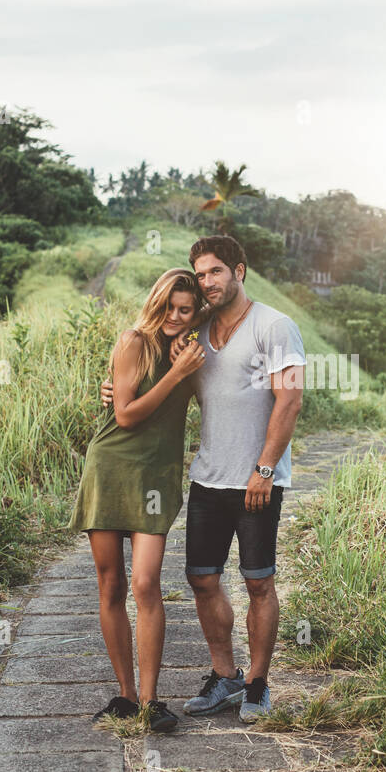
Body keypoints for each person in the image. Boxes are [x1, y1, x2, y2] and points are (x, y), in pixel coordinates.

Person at [103, 235, 306, 723]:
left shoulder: (276, 326)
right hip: (208, 478)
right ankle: (225, 677)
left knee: (258, 582)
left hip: (258, 480)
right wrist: (114, 389)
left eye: (216, 271)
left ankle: (258, 684)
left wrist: (264, 469)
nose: (208, 281)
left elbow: (291, 400)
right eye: (202, 273)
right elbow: (160, 384)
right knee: (201, 579)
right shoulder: (196, 335)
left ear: (239, 271)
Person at [67, 267, 207, 733]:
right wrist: (176, 375)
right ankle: (125, 696)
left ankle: (150, 700)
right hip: (109, 468)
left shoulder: (193, 353)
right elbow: (124, 415)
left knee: (146, 584)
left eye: (185, 309)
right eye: (168, 305)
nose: (175, 316)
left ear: (195, 313)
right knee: (111, 585)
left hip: (155, 477)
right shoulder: (134, 342)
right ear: (156, 302)